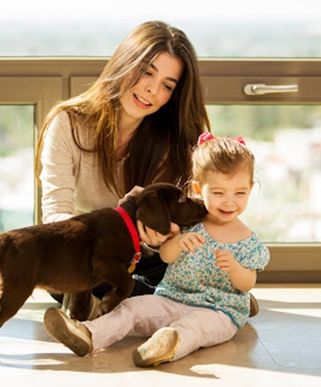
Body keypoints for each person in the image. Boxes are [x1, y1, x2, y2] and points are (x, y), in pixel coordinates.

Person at [43, 134, 270, 367]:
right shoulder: (189, 223)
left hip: (220, 313)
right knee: (132, 307)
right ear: (199, 189)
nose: (229, 202)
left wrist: (234, 268)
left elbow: (247, 284)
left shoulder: (247, 240)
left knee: (195, 327)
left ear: (251, 189)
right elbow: (165, 257)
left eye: (239, 193)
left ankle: (165, 344)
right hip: (172, 300)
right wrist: (177, 241)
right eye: (219, 193)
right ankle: (87, 334)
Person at [35, 21, 212, 314]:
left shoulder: (169, 140)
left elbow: (177, 225)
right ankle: (195, 304)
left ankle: (138, 306)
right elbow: (55, 214)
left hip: (146, 258)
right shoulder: (68, 123)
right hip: (88, 252)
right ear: (125, 61)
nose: (151, 90)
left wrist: (160, 235)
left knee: (183, 261)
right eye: (146, 72)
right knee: (62, 270)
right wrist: (110, 226)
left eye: (167, 85)